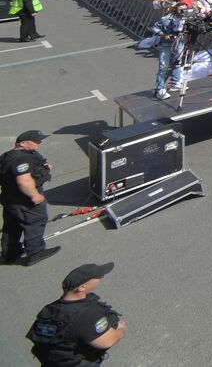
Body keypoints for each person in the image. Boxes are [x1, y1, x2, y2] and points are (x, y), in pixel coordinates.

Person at [27, 262, 126, 366]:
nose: (100, 279)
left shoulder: (49, 309)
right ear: (82, 287)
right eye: (98, 277)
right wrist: (120, 329)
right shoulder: (87, 315)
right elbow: (108, 341)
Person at [2, 129, 59, 265]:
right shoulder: (22, 159)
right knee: (35, 222)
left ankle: (10, 253)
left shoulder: (7, 156)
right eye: (36, 141)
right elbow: (24, 181)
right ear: (22, 143)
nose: (39, 142)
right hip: (24, 200)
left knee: (12, 227)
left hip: (10, 198)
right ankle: (36, 252)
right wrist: (34, 196)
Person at [151, 6, 187, 101]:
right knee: (163, 67)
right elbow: (154, 27)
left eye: (185, 9)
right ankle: (160, 89)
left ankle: (176, 82)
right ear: (176, 9)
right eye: (181, 9)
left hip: (179, 43)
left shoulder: (187, 18)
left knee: (178, 63)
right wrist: (164, 35)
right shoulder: (167, 18)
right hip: (166, 44)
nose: (183, 11)